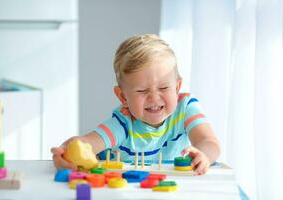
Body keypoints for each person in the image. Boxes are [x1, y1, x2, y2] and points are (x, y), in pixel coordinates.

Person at [51, 34, 220, 175]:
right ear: (123, 97)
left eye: (163, 87)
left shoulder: (185, 108)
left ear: (177, 88)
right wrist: (66, 152)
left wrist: (203, 155)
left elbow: (209, 141)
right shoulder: (123, 123)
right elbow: (85, 143)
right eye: (141, 91)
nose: (154, 98)